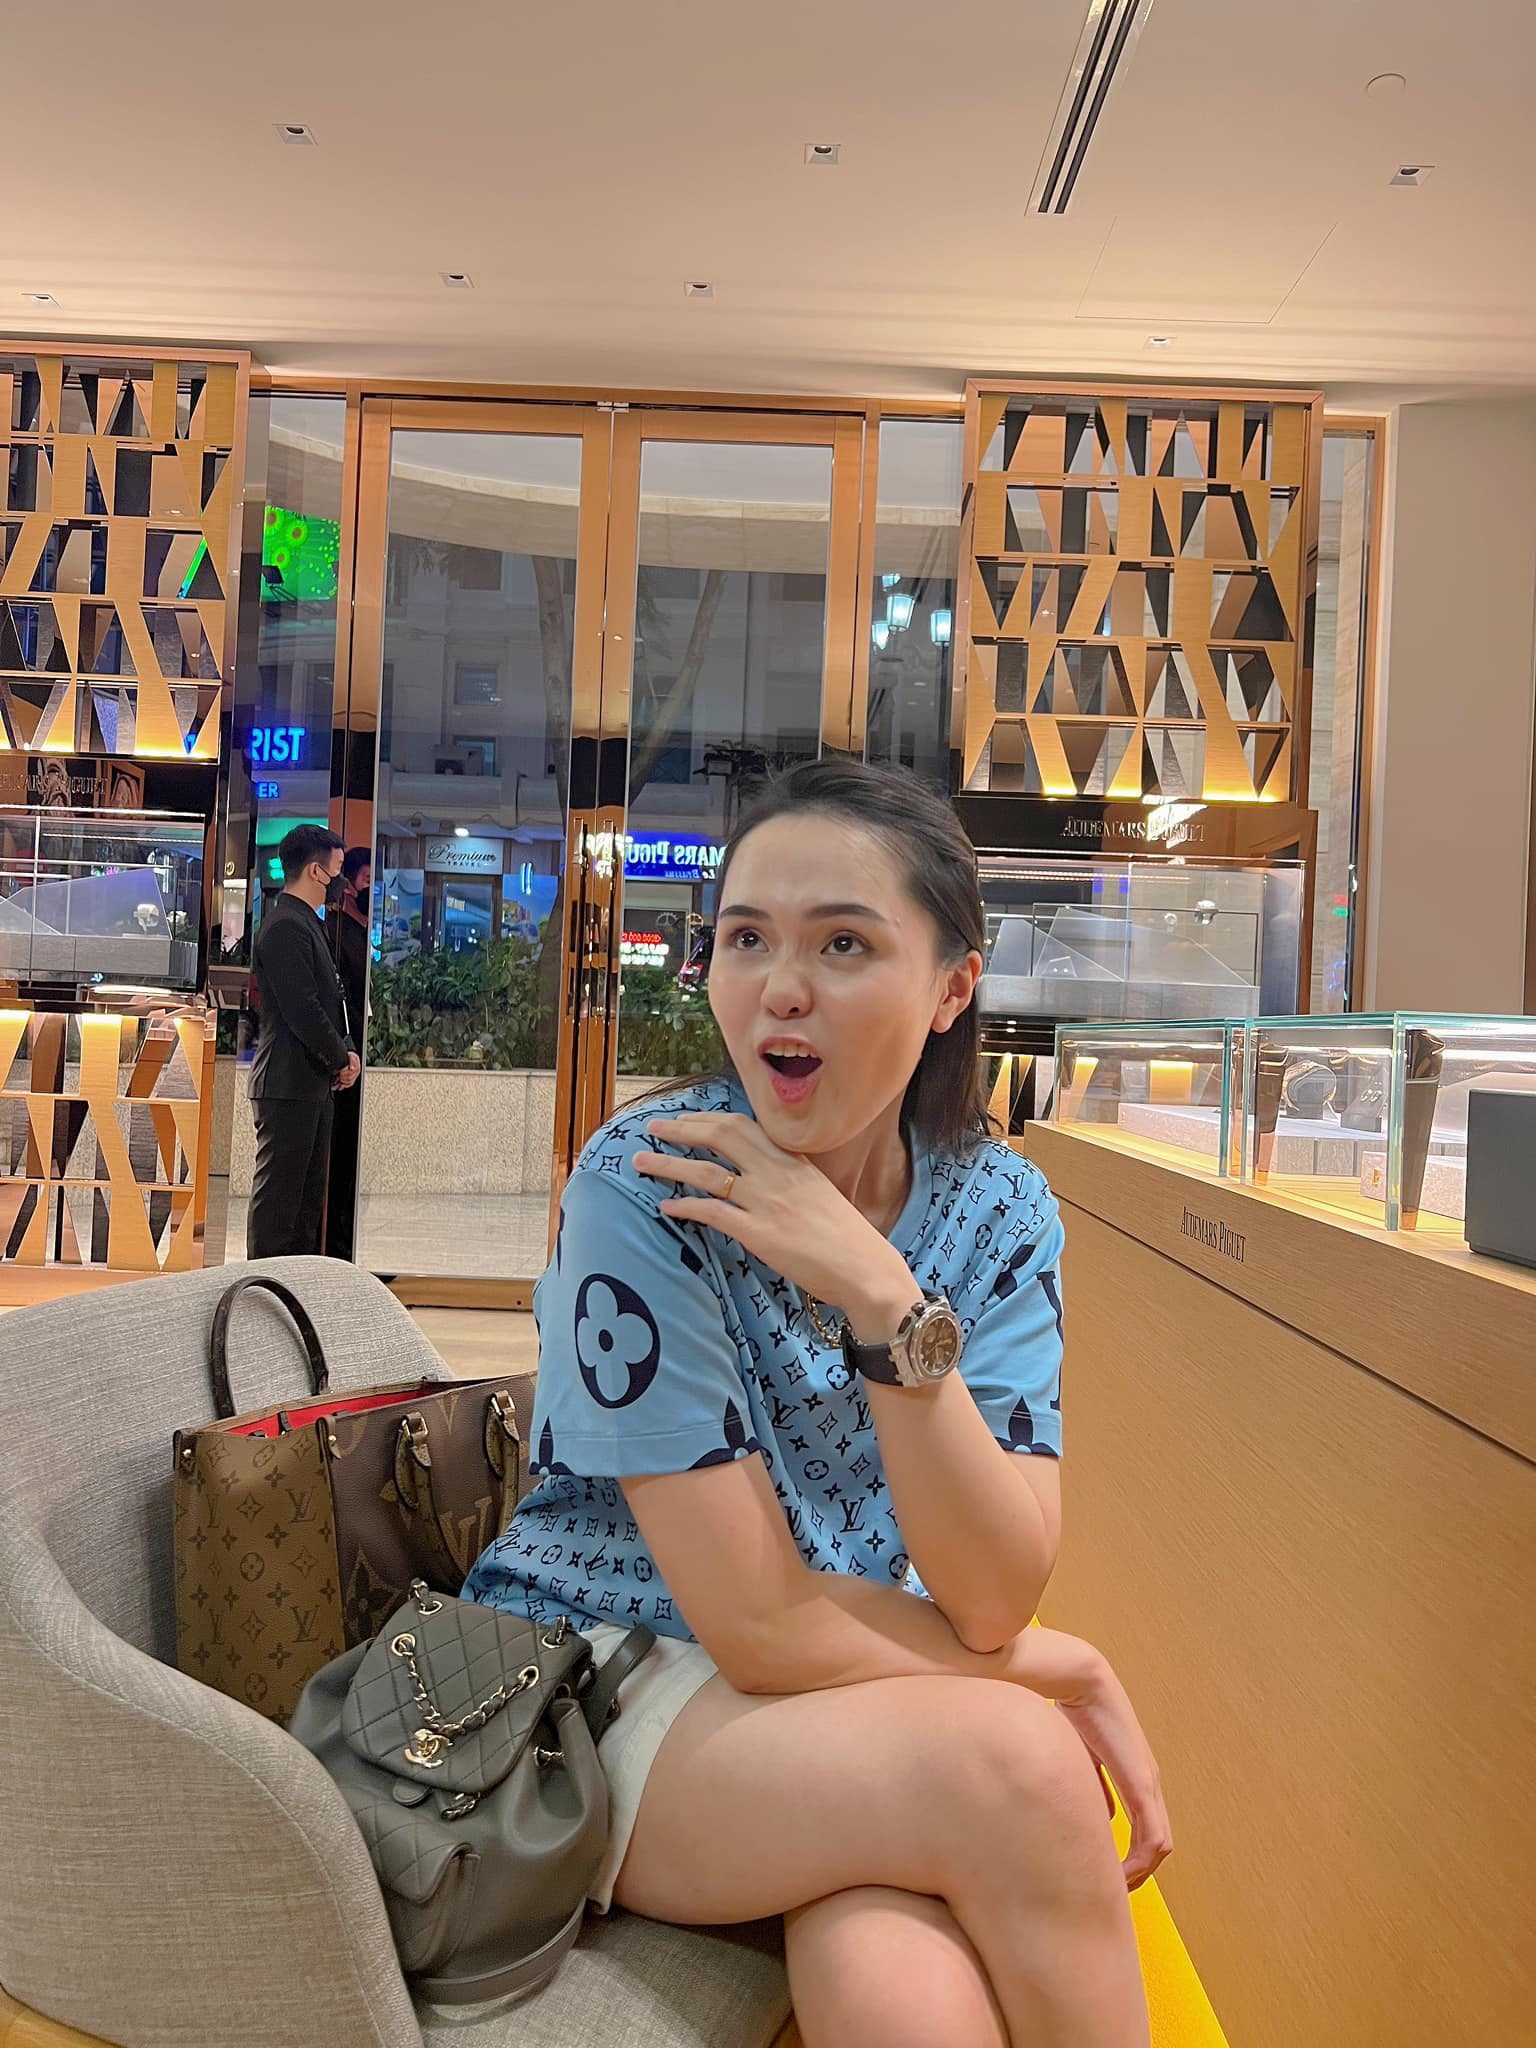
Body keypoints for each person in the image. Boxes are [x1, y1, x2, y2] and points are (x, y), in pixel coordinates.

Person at [464, 760, 1171, 2048]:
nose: (781, 986)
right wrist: (1054, 1667)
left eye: (843, 942)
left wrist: (882, 1295)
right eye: (747, 938)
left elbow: (993, 1589)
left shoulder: (1001, 1207)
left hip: (837, 1678)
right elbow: (756, 1622)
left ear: (953, 986)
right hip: (597, 1677)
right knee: (1019, 1761)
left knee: (895, 1988)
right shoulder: (648, 1180)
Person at [246, 824, 359, 1260]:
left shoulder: (307, 923)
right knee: (281, 1206)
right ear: (316, 871)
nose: (342, 880)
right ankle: (265, 1284)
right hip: (287, 1083)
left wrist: (346, 1050)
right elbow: (303, 1008)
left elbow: (332, 999)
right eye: (338, 869)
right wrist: (340, 1057)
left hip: (310, 1083)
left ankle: (294, 1286)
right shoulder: (285, 926)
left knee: (305, 1206)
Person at [324, 846, 372, 1263]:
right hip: (344, 1058)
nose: (372, 890)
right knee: (338, 1159)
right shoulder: (336, 932)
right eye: (367, 880)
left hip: (358, 1055)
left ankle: (346, 1243)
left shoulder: (360, 934)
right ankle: (335, 1246)